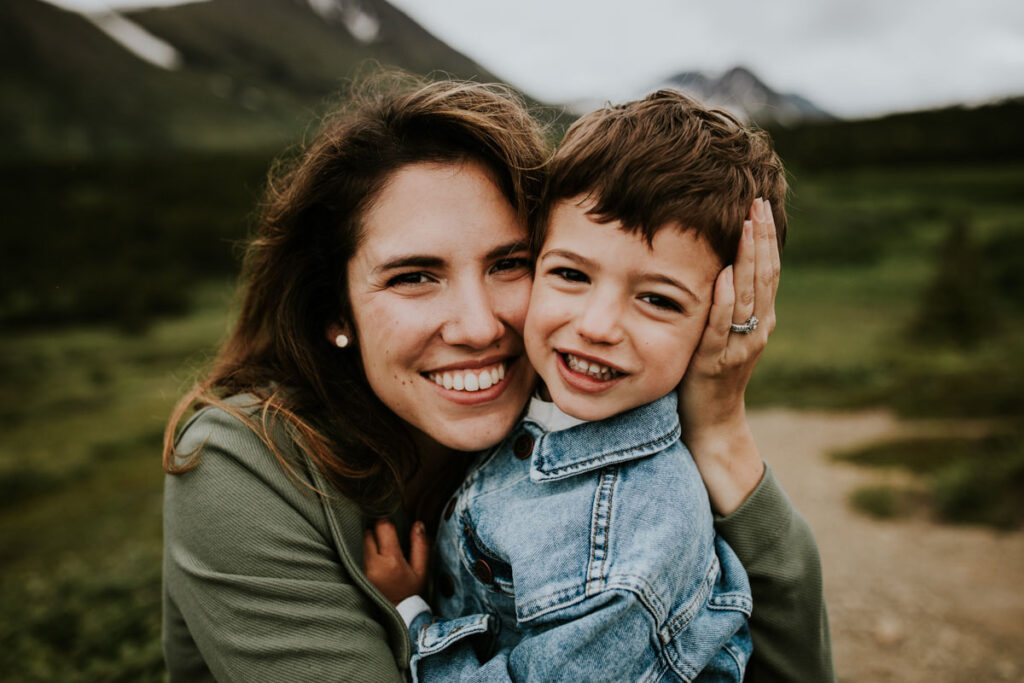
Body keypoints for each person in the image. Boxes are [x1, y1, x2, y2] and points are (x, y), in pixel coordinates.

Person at [161, 74, 833, 682]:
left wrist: (718, 429)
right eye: (414, 276)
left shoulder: (574, 411)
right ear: (334, 307)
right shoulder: (242, 463)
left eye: (509, 263)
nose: (480, 325)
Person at [364, 90, 783, 681]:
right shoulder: (537, 402)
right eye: (569, 273)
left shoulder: (625, 555)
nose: (595, 326)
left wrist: (411, 615)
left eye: (658, 299)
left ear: (722, 319)